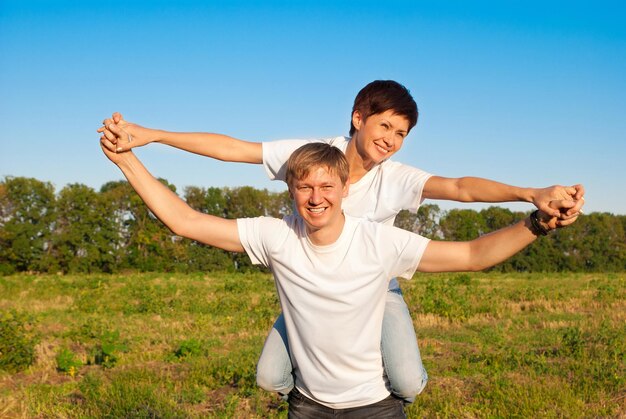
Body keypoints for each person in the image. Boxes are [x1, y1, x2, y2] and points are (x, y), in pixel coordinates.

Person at [98, 80, 584, 401]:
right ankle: (315, 387)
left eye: (402, 133)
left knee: (410, 383)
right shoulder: (310, 157)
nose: (392, 139)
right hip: (306, 285)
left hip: (377, 285)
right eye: (385, 125)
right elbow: (233, 150)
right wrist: (151, 136)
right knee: (269, 378)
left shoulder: (396, 179)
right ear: (358, 118)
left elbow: (459, 189)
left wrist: (529, 194)